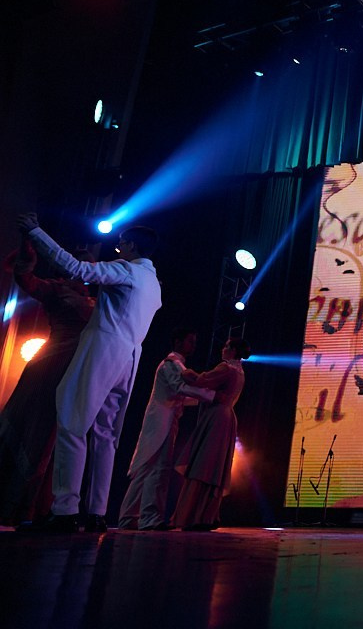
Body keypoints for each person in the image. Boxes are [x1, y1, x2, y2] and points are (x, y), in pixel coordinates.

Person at [16, 214, 162, 533]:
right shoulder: (153, 283)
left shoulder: (127, 270)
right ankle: (96, 512)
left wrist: (36, 232)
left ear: (131, 246)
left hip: (103, 346)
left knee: (72, 419)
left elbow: (76, 269)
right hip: (129, 356)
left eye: (121, 244)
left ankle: (65, 510)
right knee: (106, 435)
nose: (118, 248)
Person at [0, 240, 93, 526]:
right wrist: (27, 256)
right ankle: (16, 506)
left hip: (74, 369)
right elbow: (26, 280)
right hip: (49, 365)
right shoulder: (56, 288)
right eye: (85, 263)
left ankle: (43, 509)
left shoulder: (95, 297)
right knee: (35, 429)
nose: (89, 268)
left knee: (61, 434)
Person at [118, 328, 215, 530]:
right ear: (178, 341)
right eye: (190, 341)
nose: (193, 346)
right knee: (158, 469)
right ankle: (150, 518)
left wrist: (202, 398)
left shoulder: (175, 364)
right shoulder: (171, 364)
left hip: (162, 420)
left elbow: (180, 394)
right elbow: (180, 387)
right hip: (162, 421)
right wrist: (210, 395)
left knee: (146, 468)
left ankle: (129, 517)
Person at [171, 336, 250, 531]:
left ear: (233, 350)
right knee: (215, 466)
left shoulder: (226, 368)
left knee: (204, 465)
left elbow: (201, 380)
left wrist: (182, 370)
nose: (223, 349)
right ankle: (207, 514)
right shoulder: (240, 372)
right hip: (227, 417)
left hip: (217, 418)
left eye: (226, 346)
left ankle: (193, 515)